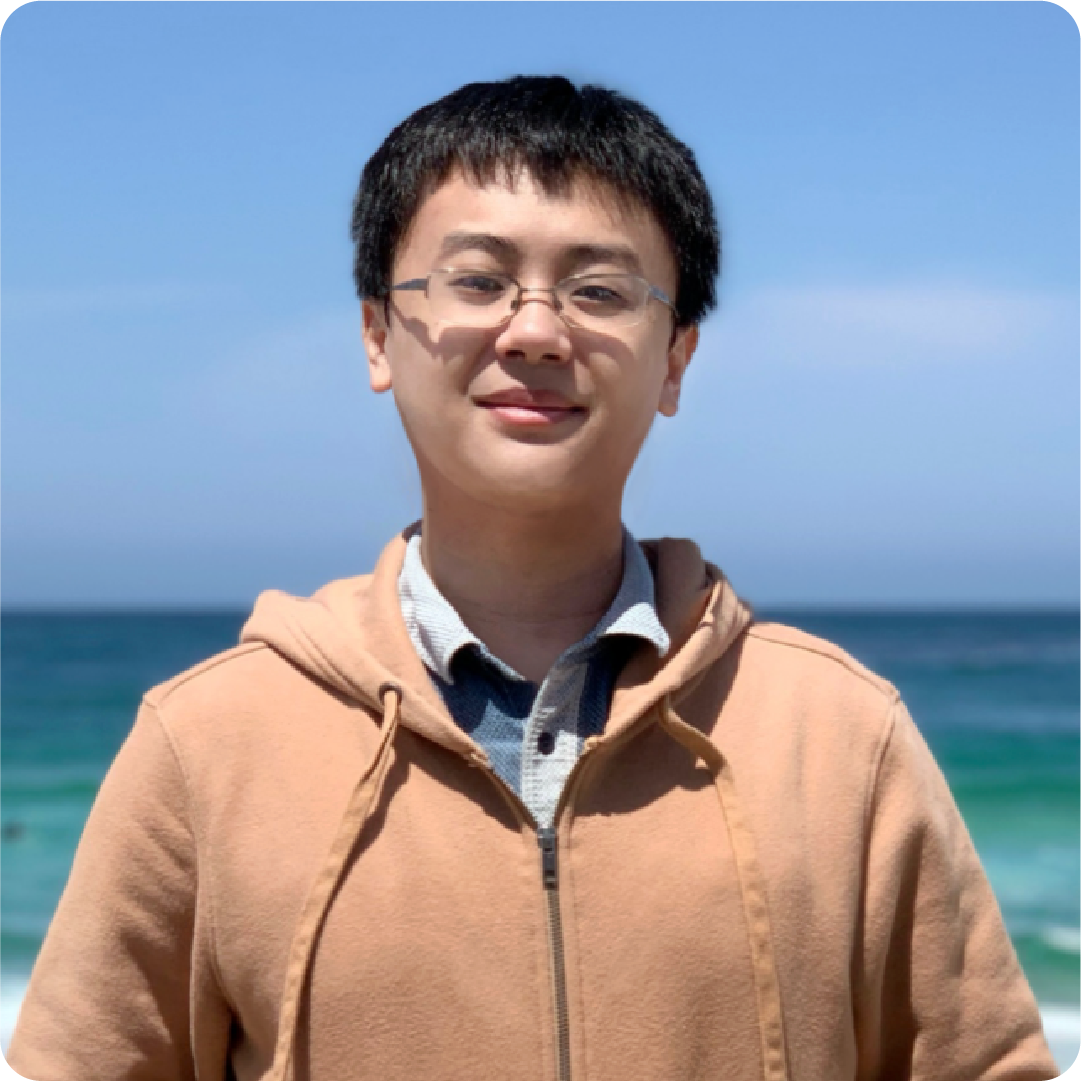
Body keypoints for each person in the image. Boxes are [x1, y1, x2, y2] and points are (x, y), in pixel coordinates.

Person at [8, 76, 1058, 1081]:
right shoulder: (207, 743)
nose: (537, 331)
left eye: (599, 291)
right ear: (377, 334)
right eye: (477, 281)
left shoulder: (839, 736)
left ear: (676, 358)